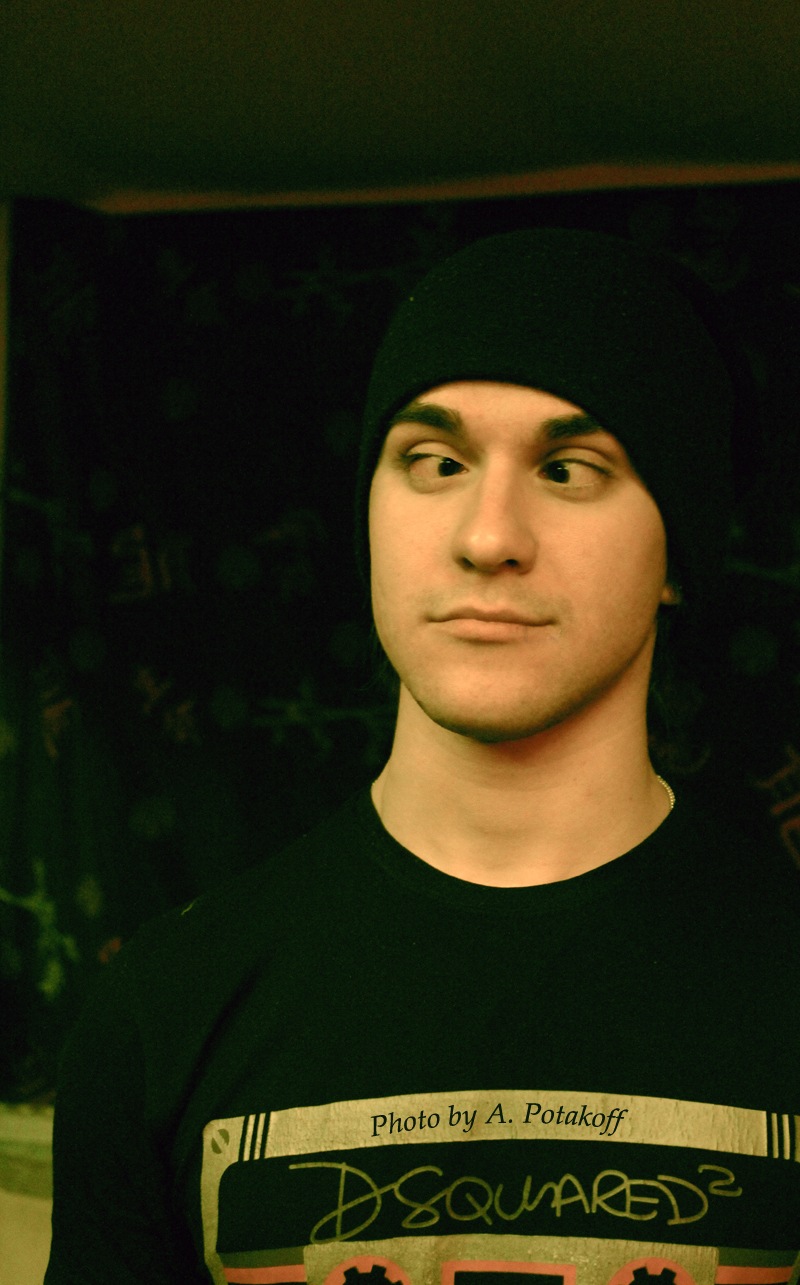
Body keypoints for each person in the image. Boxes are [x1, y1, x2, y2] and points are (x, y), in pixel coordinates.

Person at [45, 229, 800, 1285]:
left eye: (568, 470)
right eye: (434, 463)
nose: (487, 536)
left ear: (677, 551)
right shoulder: (160, 1016)